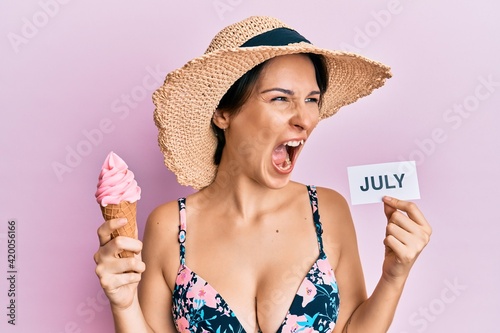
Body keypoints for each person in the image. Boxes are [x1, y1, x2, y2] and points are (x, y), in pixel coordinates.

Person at [94, 16, 432, 333]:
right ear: (223, 113)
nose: (306, 119)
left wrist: (393, 275)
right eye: (281, 98)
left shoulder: (327, 210)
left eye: (312, 99)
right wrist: (123, 305)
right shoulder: (168, 225)